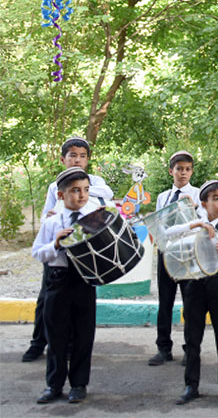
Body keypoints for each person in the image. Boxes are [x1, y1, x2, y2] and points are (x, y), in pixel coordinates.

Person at [24, 137, 113, 364]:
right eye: (73, 156)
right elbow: (46, 215)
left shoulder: (96, 182)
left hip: (84, 248)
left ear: (88, 160)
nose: (78, 160)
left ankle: (74, 347)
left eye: (83, 156)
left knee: (80, 302)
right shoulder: (55, 187)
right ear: (63, 159)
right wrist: (52, 218)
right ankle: (38, 343)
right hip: (58, 248)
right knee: (46, 299)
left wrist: (83, 190)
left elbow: (107, 197)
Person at [169, 180, 218, 405]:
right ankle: (191, 385)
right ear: (204, 203)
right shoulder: (194, 224)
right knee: (193, 337)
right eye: (216, 199)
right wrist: (193, 226)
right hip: (195, 284)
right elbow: (167, 234)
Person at [31, 167, 100, 404]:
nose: (82, 196)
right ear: (61, 195)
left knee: (83, 333)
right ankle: (54, 385)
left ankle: (79, 385)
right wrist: (56, 244)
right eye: (75, 191)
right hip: (57, 281)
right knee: (56, 336)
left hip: (84, 281)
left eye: (86, 190)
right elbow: (37, 253)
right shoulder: (51, 222)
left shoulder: (93, 219)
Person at [149, 151, 201, 367]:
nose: (183, 173)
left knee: (190, 303)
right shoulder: (163, 197)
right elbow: (159, 223)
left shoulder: (197, 194)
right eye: (179, 169)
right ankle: (163, 348)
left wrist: (193, 207)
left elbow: (203, 222)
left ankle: (190, 349)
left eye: (188, 169)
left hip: (187, 253)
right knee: (165, 301)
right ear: (171, 171)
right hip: (166, 253)